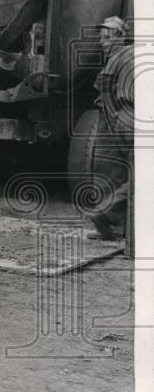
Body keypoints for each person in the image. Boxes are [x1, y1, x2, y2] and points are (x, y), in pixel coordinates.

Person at [83, 16, 133, 247]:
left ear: (121, 37)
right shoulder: (127, 55)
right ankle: (110, 219)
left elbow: (102, 85)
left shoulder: (119, 55)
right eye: (102, 37)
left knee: (115, 171)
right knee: (124, 173)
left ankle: (110, 219)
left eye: (108, 37)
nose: (103, 42)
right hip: (123, 117)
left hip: (115, 117)